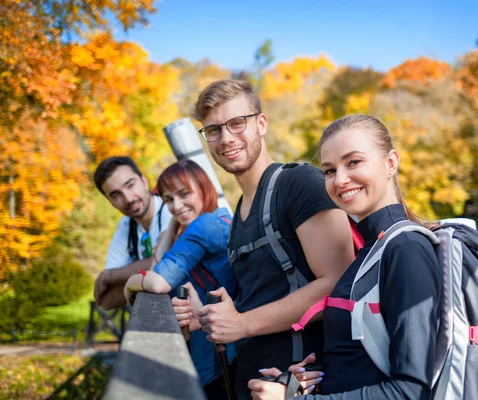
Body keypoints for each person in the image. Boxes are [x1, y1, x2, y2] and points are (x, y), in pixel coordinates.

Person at [173, 79, 355, 399]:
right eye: (213, 130)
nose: (226, 137)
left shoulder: (299, 184)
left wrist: (241, 324)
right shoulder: (240, 213)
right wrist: (208, 318)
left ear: (261, 123)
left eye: (236, 123)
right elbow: (261, 296)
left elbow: (340, 282)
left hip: (303, 386)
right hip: (253, 383)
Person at [248, 114, 443, 399]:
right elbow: (360, 363)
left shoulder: (406, 248)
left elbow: (411, 391)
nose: (340, 179)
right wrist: (302, 382)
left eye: (353, 162)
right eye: (328, 170)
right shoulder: (369, 251)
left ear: (391, 163)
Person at [123, 160, 238, 400]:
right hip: (223, 351)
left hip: (219, 359)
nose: (176, 205)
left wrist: (129, 284)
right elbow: (158, 267)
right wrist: (176, 221)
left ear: (204, 188)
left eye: (184, 194)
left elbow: (157, 282)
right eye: (168, 200)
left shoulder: (203, 226)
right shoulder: (220, 219)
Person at [93, 156, 172, 310]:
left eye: (130, 185)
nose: (128, 199)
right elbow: (106, 301)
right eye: (116, 195)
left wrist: (108, 276)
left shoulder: (171, 211)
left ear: (144, 181)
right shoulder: (126, 227)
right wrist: (146, 276)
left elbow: (165, 264)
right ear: (110, 201)